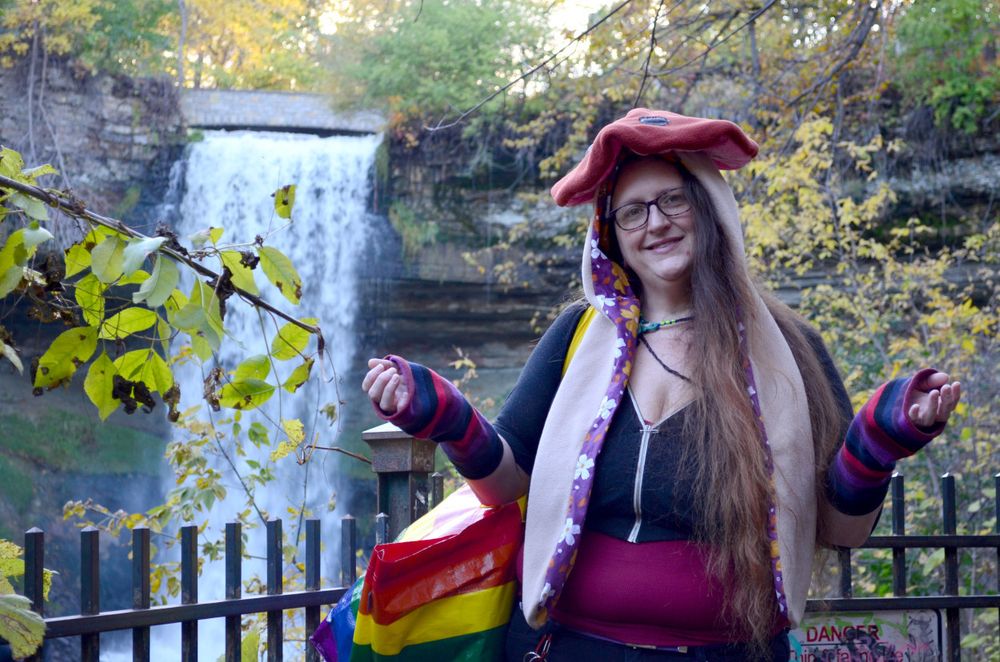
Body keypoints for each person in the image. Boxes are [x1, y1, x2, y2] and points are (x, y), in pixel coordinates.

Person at [361, 109, 961, 661]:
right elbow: (507, 481)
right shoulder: (577, 337)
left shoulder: (789, 350)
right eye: (632, 211)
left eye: (673, 201)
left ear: (710, 208)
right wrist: (444, 416)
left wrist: (879, 443)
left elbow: (841, 528)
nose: (656, 223)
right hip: (571, 648)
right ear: (611, 235)